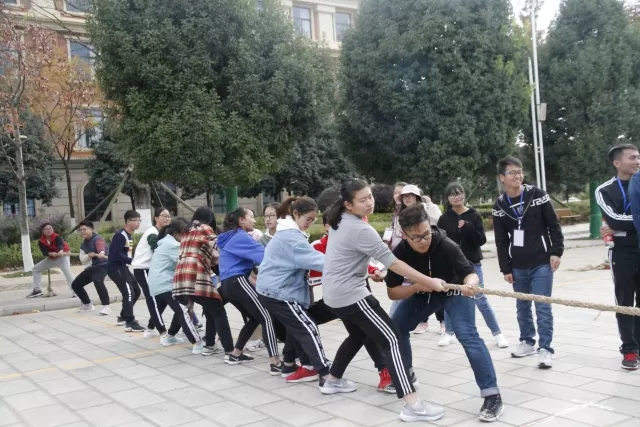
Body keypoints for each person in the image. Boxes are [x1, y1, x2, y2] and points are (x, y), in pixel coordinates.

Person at [322, 178, 447, 422]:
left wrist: (368, 272)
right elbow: (394, 263)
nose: (370, 202)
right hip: (350, 294)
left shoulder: (340, 220)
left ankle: (332, 380)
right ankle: (413, 405)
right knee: (392, 339)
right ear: (348, 204)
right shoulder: (360, 228)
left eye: (370, 196)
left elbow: (344, 257)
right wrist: (430, 282)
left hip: (334, 294)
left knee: (358, 335)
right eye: (363, 200)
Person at [389, 204, 503, 422]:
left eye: (426, 234)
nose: (423, 241)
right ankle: (407, 374)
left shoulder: (446, 245)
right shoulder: (400, 253)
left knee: (467, 335)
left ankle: (492, 395)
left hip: (454, 292)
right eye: (416, 237)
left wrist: (470, 284)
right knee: (396, 328)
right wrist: (416, 287)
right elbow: (392, 292)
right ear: (404, 235)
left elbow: (470, 273)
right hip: (423, 293)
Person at [305, 208, 393, 391]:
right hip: (342, 295)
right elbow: (321, 270)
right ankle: (301, 364)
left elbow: (364, 260)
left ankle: (333, 378)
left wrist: (373, 271)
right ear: (327, 226)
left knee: (360, 333)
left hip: (354, 291)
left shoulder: (353, 234)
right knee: (386, 336)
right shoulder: (323, 244)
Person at [492, 156, 564, 369]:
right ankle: (527, 342)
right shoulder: (500, 205)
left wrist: (556, 251)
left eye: (520, 171)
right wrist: (505, 267)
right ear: (502, 177)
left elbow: (553, 225)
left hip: (542, 261)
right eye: (512, 172)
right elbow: (501, 240)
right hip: (517, 265)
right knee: (522, 306)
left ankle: (546, 349)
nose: (518, 176)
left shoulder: (537, 195)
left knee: (542, 306)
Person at [256, 197, 331, 385]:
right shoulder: (291, 237)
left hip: (274, 290)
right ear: (296, 214)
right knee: (308, 326)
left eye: (313, 220)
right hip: (279, 292)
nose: (310, 224)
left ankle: (291, 365)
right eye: (308, 219)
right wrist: (350, 265)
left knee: (297, 326)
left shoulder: (288, 233)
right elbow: (317, 260)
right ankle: (326, 375)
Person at [436, 182, 508, 349]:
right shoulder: (444, 218)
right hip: (451, 267)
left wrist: (468, 227)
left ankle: (497, 333)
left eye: (459, 193)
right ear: (448, 198)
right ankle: (449, 332)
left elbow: (481, 240)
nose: (456, 197)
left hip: (473, 265)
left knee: (480, 300)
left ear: (464, 194)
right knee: (450, 299)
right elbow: (439, 241)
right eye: (452, 194)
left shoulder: (473, 215)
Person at [218, 207, 282, 371]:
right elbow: (264, 256)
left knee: (254, 317)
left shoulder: (229, 236)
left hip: (227, 285)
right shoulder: (241, 236)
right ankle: (275, 362)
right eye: (251, 217)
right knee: (267, 316)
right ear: (241, 220)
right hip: (237, 280)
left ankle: (235, 354)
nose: (254, 220)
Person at [596, 143, 640, 370]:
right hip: (622, 252)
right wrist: (621, 225)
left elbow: (618, 222)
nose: (637, 161)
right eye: (632, 158)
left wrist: (620, 226)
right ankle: (630, 350)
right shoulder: (605, 190)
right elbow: (612, 219)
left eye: (638, 157)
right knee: (624, 300)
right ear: (617, 163)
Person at [173, 207, 235, 357]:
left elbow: (204, 252)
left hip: (181, 276)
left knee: (210, 308)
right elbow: (218, 246)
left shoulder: (187, 231)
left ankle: (209, 345)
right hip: (195, 274)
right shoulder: (204, 228)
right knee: (218, 310)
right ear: (209, 219)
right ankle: (230, 351)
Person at [390, 184, 444, 334]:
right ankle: (421, 321)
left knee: (436, 286)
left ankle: (442, 321)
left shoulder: (426, 209)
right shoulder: (399, 214)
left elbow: (438, 219)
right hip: (406, 254)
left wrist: (430, 204)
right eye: (404, 196)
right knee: (417, 289)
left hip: (429, 254)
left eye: (410, 195)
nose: (407, 198)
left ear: (417, 197)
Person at [148, 217, 202, 351]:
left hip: (159, 283)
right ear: (176, 233)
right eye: (185, 234)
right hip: (165, 284)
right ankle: (197, 343)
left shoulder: (166, 242)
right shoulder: (173, 245)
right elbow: (185, 263)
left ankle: (170, 336)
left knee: (183, 306)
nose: (186, 237)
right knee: (183, 310)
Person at [131, 207, 172, 339]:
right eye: (164, 215)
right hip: (143, 269)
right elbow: (157, 251)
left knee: (164, 297)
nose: (167, 218)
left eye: (169, 216)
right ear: (156, 218)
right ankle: (163, 332)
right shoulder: (152, 233)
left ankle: (150, 328)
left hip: (153, 269)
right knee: (152, 297)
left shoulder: (163, 233)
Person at [106, 210, 144, 332]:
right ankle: (130, 322)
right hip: (116, 268)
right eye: (136, 220)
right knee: (128, 293)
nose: (138, 223)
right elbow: (115, 255)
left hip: (123, 267)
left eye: (139, 220)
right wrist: (132, 260)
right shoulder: (120, 236)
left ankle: (123, 316)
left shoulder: (129, 235)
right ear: (128, 221)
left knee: (136, 291)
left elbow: (125, 253)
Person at [27, 222, 75, 299]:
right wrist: (50, 254)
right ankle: (37, 290)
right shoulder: (41, 241)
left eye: (50, 228)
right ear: (43, 231)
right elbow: (44, 252)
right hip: (51, 259)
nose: (49, 230)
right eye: (46, 229)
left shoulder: (57, 237)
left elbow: (60, 245)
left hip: (63, 258)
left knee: (68, 274)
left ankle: (76, 291)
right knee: (36, 269)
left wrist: (60, 251)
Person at [72, 220, 111, 314]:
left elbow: (101, 247)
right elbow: (83, 260)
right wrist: (89, 255)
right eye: (80, 230)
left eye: (84, 229)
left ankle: (106, 306)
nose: (82, 232)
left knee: (97, 280)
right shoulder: (84, 244)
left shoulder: (98, 239)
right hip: (93, 267)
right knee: (75, 284)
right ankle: (87, 305)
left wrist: (101, 252)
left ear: (91, 229)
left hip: (104, 265)